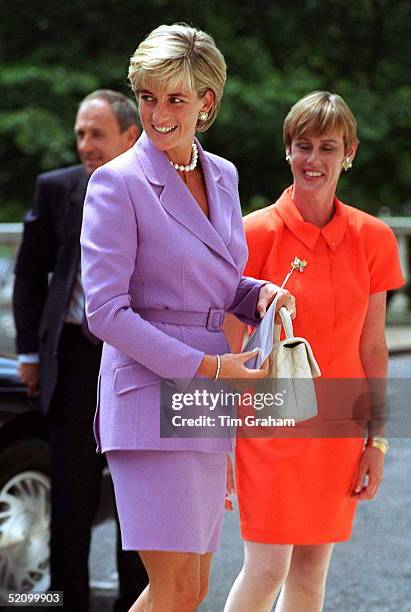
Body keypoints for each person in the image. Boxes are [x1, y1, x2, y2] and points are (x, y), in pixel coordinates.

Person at [80, 24, 295, 612]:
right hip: (151, 393)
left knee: (191, 589)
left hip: (206, 398)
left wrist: (259, 297)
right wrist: (207, 364)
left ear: (207, 102)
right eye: (148, 97)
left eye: (175, 99)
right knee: (174, 588)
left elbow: (220, 282)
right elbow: (104, 311)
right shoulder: (116, 182)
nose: (158, 114)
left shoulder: (222, 175)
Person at [224, 91, 404, 612]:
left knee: (312, 567)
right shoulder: (251, 233)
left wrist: (377, 440)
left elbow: (372, 346)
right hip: (267, 423)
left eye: (328, 147)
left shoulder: (374, 238)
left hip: (339, 428)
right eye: (303, 145)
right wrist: (222, 435)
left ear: (350, 152)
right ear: (287, 151)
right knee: (266, 565)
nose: (313, 160)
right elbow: (230, 343)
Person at [13, 89, 149, 612]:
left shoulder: (156, 193)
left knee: (137, 489)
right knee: (71, 491)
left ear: (129, 137)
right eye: (80, 134)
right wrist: (29, 354)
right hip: (73, 356)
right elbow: (28, 275)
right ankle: (67, 602)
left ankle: (137, 602)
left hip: (138, 357)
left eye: (97, 134)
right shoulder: (58, 189)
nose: (85, 145)